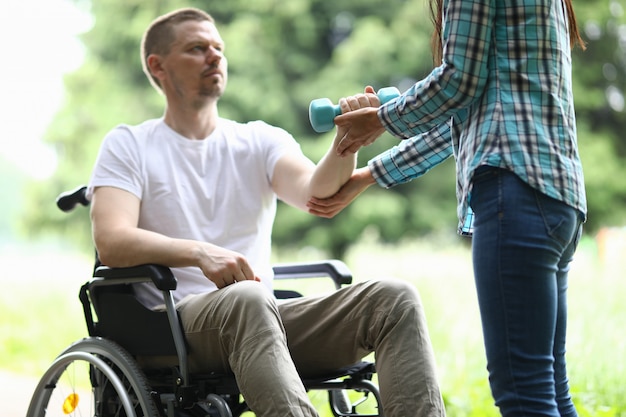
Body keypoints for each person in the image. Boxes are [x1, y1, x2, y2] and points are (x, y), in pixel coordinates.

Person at [86, 7, 446, 417]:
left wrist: (346, 143)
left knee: (394, 298)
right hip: (174, 328)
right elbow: (112, 242)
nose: (214, 56)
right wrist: (200, 252)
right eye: (197, 48)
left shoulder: (259, 140)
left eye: (218, 48)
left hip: (262, 319)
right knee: (248, 298)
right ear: (158, 65)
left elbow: (317, 192)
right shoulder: (129, 145)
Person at [310, 1, 587, 416]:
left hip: (512, 187)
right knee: (548, 386)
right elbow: (465, 113)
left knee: (523, 392)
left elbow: (458, 82)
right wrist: (370, 175)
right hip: (555, 196)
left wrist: (382, 120)